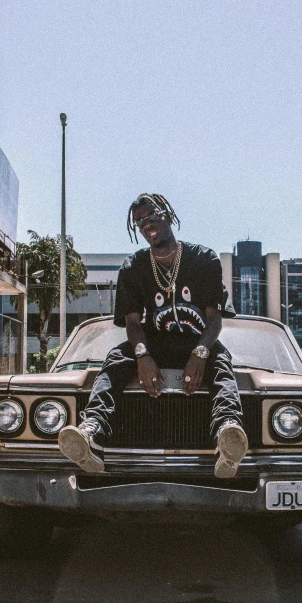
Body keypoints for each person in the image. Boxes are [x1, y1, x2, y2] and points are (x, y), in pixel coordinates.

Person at [58, 193, 248, 478]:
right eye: (139, 221)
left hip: (197, 341)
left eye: (152, 215)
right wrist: (143, 356)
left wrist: (199, 355)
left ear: (168, 215)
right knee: (116, 358)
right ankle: (91, 433)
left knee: (221, 363)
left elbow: (214, 320)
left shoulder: (203, 259)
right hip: (155, 340)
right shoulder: (133, 266)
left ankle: (227, 438)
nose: (146, 223)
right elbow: (133, 323)